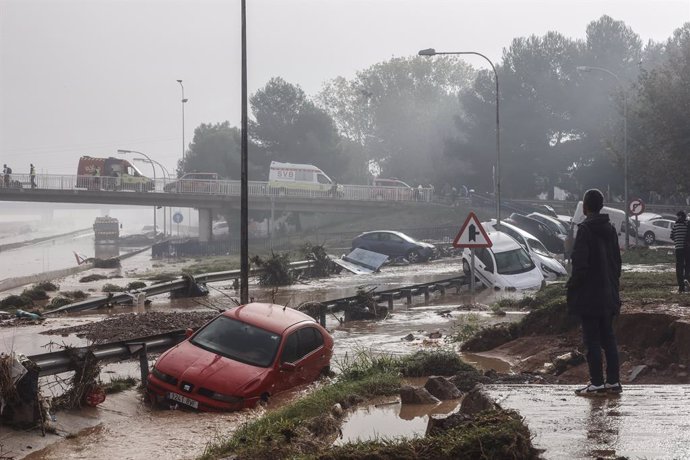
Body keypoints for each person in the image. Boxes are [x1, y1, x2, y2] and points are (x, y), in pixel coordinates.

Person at [567, 188, 622, 396]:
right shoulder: (610, 229)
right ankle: (614, 382)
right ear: (601, 206)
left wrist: (572, 286)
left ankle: (597, 383)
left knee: (592, 340)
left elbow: (580, 265)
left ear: (585, 206)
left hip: (590, 296)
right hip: (609, 294)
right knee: (608, 338)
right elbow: (618, 263)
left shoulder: (585, 230)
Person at [671, 211, 690, 293]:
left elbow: (671, 236)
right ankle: (686, 279)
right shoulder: (687, 225)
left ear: (678, 216)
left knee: (679, 267)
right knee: (687, 265)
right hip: (686, 248)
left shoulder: (675, 225)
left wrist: (677, 240)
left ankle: (681, 286)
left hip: (678, 248)